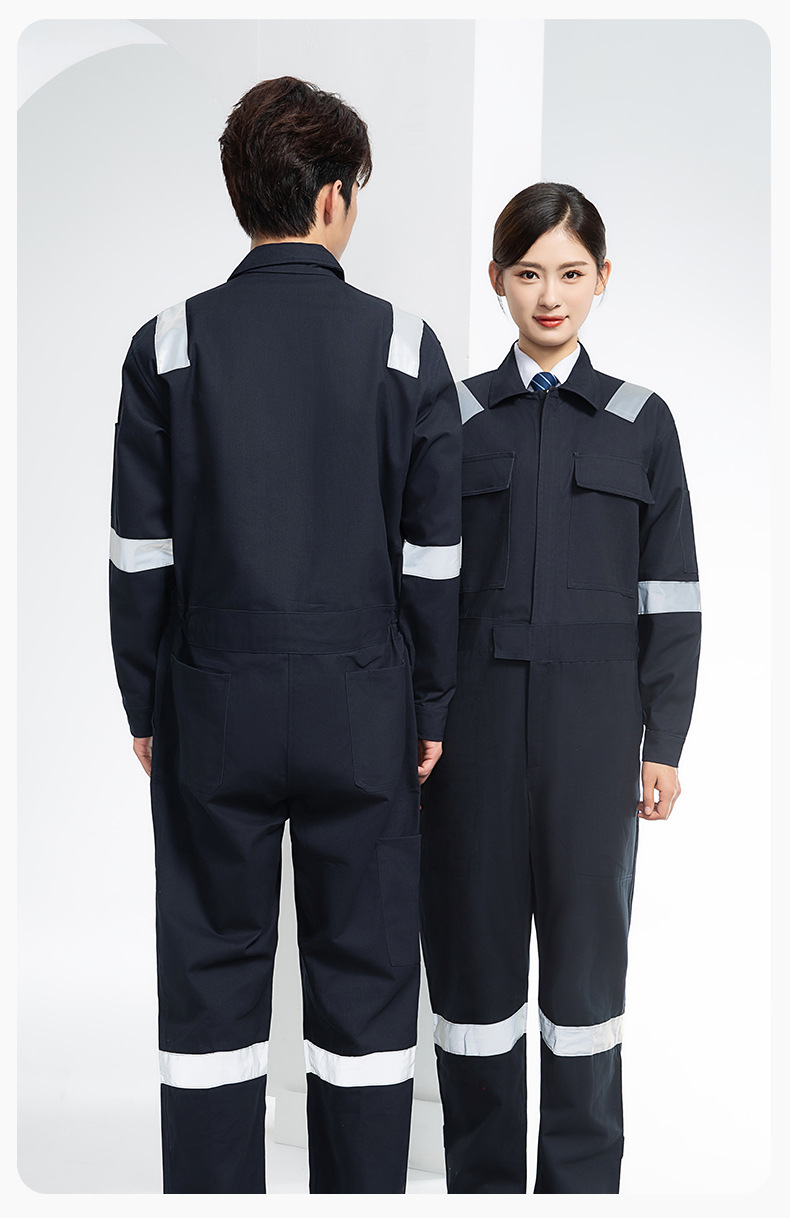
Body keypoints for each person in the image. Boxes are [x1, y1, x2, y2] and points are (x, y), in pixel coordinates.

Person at [108, 75, 462, 1195]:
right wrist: (432, 703)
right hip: (365, 703)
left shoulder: (168, 345)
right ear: (333, 198)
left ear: (243, 195)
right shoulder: (405, 346)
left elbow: (140, 554)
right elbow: (433, 558)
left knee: (210, 977)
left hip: (210, 699)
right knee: (366, 982)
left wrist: (146, 704)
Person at [419, 182, 700, 1194]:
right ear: (496, 279)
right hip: (472, 741)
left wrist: (664, 741)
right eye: (529, 273)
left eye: (571, 273)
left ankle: (580, 1194)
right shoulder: (451, 417)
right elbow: (413, 587)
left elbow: (672, 594)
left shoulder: (640, 422)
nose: (550, 296)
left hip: (594, 738)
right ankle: (484, 1191)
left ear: (602, 279)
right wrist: (416, 720)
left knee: (584, 980)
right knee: (473, 979)